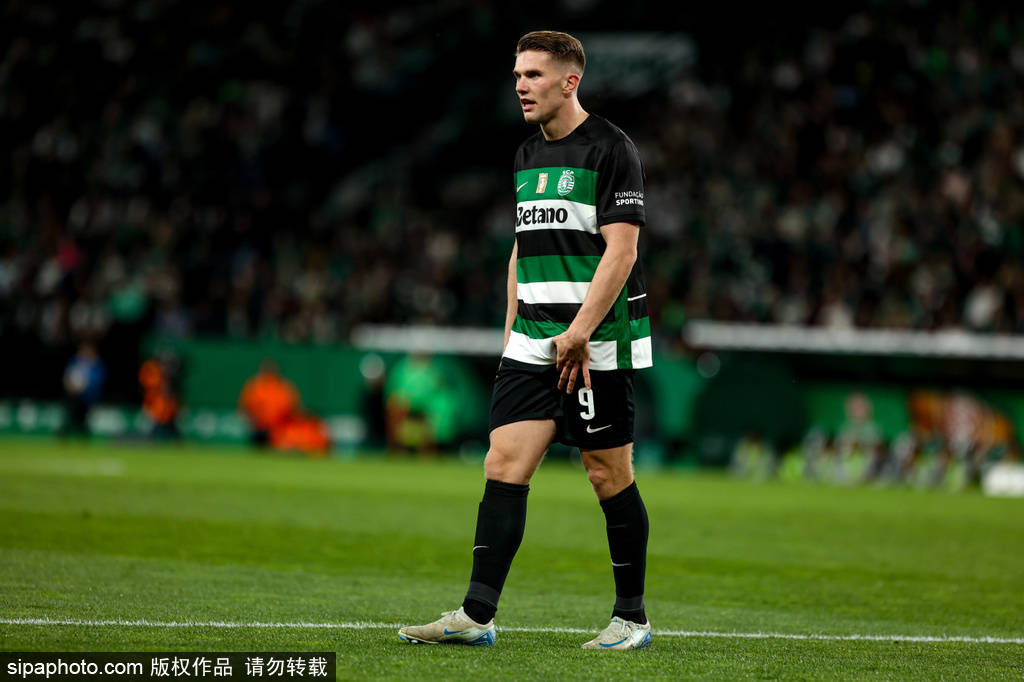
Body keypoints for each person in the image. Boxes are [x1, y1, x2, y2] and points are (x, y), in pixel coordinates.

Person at [399, 30, 653, 650]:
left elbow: (622, 251)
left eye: (533, 75)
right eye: (517, 74)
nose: (520, 85)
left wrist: (580, 331)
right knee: (503, 463)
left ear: (570, 82)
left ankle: (632, 619)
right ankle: (476, 616)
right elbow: (523, 247)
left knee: (606, 473)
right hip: (534, 337)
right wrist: (512, 328)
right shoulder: (525, 155)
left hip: (596, 341)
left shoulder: (611, 149)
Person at [61, 341, 106, 436]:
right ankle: (66, 430)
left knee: (82, 417)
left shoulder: (97, 364)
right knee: (70, 411)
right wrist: (71, 387)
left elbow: (97, 382)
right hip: (73, 395)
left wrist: (84, 388)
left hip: (89, 397)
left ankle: (82, 431)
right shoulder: (74, 362)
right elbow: (67, 376)